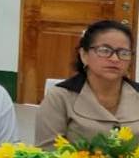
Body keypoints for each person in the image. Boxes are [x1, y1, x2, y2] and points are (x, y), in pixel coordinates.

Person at [36, 20, 139, 148]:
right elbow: (47, 154)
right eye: (105, 50)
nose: (115, 59)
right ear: (84, 55)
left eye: (123, 53)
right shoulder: (60, 97)